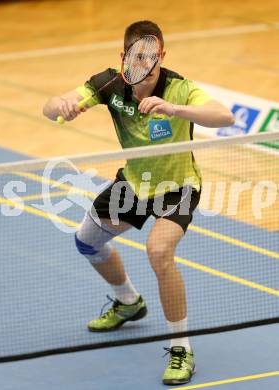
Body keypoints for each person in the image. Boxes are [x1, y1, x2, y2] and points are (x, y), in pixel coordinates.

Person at [43, 20, 234, 386]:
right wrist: (60, 105)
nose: (146, 63)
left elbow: (224, 116)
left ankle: (182, 349)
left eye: (153, 56)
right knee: (86, 240)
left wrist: (175, 110)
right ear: (125, 56)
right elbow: (49, 109)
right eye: (138, 55)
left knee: (158, 252)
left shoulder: (178, 88)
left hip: (177, 187)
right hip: (134, 184)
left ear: (162, 55)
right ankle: (129, 302)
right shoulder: (109, 84)